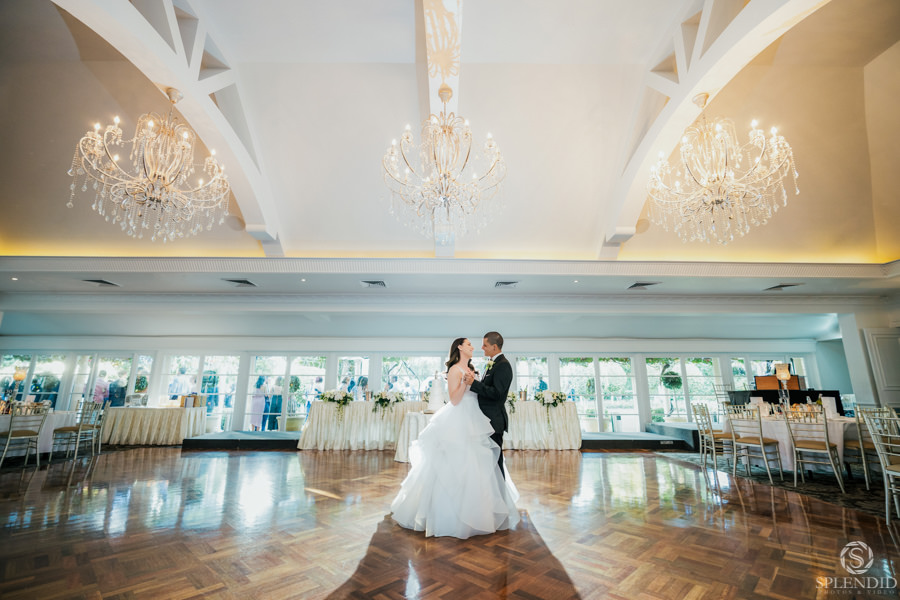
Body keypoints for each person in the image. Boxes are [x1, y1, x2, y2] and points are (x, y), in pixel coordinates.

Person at [391, 337, 518, 539]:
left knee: (480, 464)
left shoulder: (473, 369)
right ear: (459, 347)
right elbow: (454, 400)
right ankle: (450, 514)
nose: (474, 347)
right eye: (469, 344)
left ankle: (481, 511)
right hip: (460, 419)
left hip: (476, 418)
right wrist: (467, 384)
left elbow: (485, 392)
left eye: (478, 344)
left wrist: (472, 382)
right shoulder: (454, 370)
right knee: (457, 463)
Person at [464, 332, 513, 475]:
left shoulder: (503, 365)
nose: (482, 347)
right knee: (488, 459)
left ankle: (500, 488)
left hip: (494, 420)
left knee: (495, 460)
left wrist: (474, 384)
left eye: (485, 345)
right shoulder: (493, 363)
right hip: (486, 420)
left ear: (494, 347)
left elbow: (497, 394)